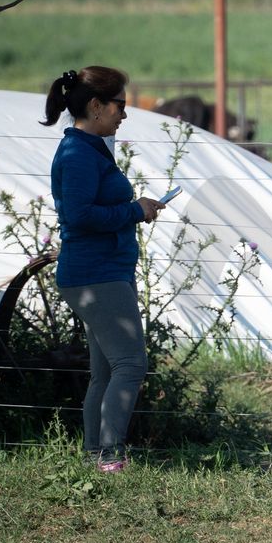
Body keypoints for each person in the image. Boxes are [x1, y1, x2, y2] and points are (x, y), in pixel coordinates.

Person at [42, 66, 166, 473]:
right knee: (131, 364)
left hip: (102, 271)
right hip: (96, 274)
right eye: (120, 106)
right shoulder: (78, 154)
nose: (124, 115)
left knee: (106, 370)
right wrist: (135, 210)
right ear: (96, 106)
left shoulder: (88, 148)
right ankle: (112, 457)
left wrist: (135, 210)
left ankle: (96, 454)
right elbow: (77, 216)